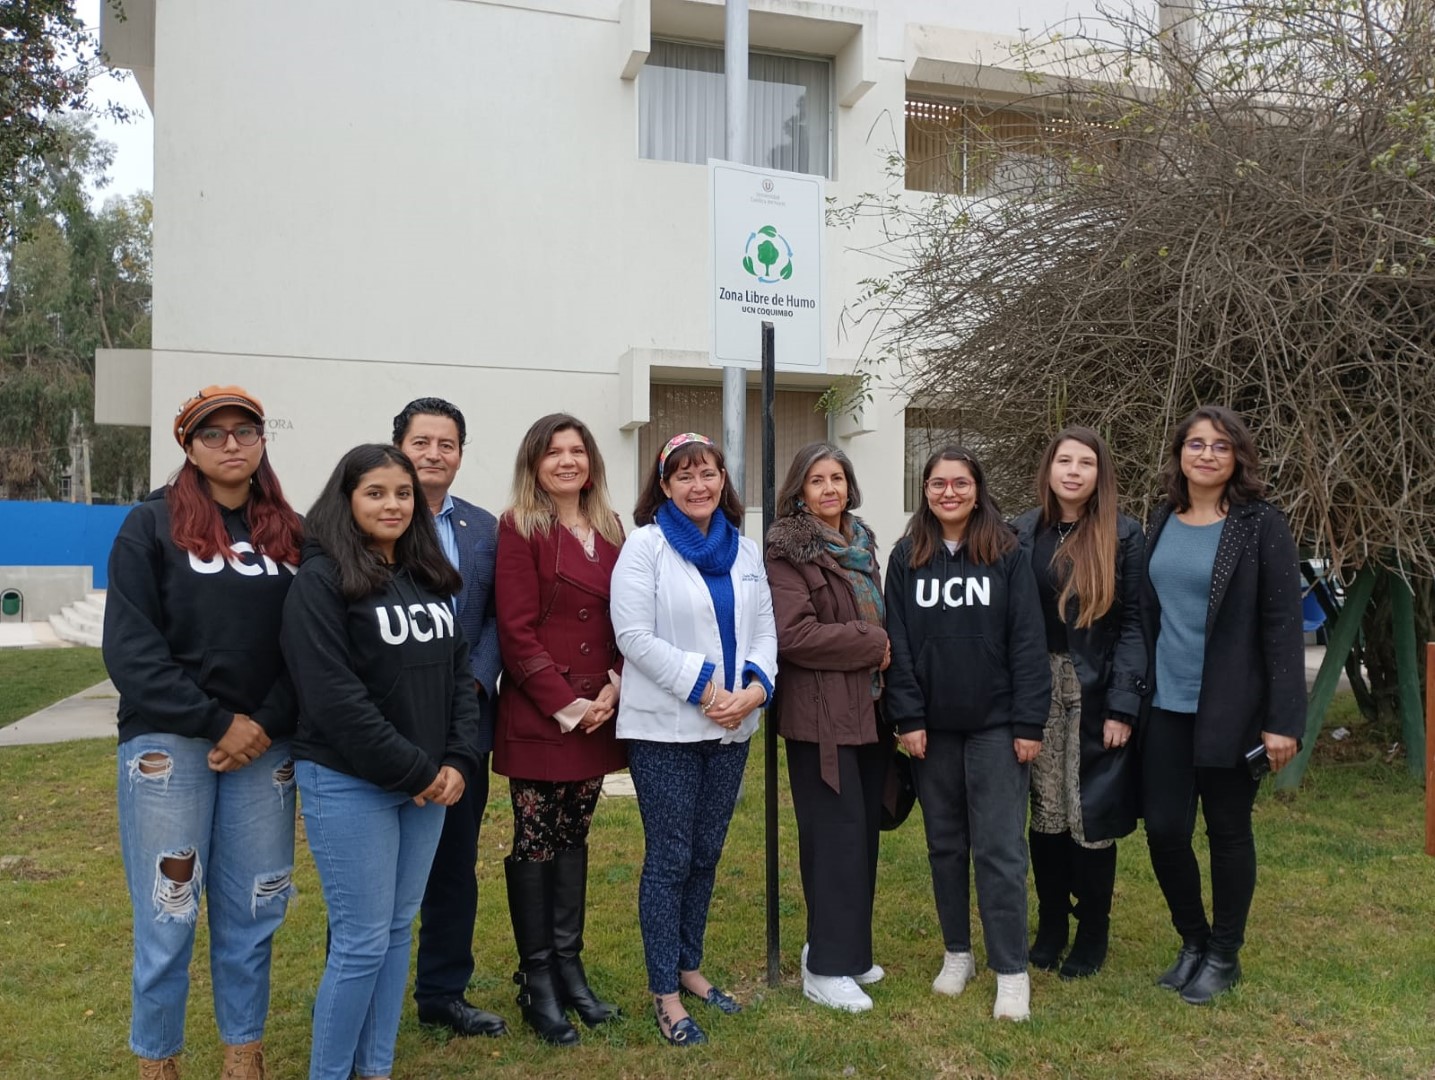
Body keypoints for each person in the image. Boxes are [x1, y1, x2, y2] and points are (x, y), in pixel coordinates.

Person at [104, 385, 304, 1080]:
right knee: (169, 915)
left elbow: (309, 645)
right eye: (211, 434)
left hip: (265, 747)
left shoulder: (290, 532)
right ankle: (157, 1061)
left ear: (261, 441)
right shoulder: (149, 526)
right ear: (187, 446)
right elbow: (131, 651)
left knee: (254, 911)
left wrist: (264, 723)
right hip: (171, 746)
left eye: (243, 431)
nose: (229, 444)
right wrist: (219, 722)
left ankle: (242, 1054)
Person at [282, 444, 481, 1080]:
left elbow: (458, 677)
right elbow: (334, 699)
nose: (391, 504)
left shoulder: (427, 575)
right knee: (362, 941)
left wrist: (455, 759)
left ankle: (377, 1068)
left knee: (397, 933)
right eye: (375, 493)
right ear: (346, 500)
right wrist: (417, 771)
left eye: (401, 493)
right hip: (350, 782)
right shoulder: (318, 580)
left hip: (426, 784)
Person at [611, 433, 777, 1046]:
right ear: (664, 486)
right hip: (668, 729)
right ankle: (665, 994)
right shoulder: (645, 548)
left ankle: (690, 965)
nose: (698, 485)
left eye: (707, 473)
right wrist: (708, 688)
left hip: (733, 727)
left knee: (706, 854)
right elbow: (633, 636)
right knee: (671, 858)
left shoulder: (744, 550)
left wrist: (755, 689)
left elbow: (765, 631)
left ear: (722, 480)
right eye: (683, 476)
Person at [1140, 405, 1304, 1005]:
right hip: (1165, 705)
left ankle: (1224, 955)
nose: (1206, 454)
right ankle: (1193, 940)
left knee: (1228, 832)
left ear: (1237, 458)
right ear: (1180, 453)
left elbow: (1285, 626)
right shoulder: (1162, 518)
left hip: (1232, 710)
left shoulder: (1261, 523)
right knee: (1162, 830)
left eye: (1220, 446)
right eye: (1195, 444)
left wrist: (1284, 721)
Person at [884, 446, 1049, 1022]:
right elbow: (897, 645)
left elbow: (1029, 642)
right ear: (924, 490)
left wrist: (1030, 722)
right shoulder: (907, 556)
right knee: (945, 845)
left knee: (1001, 849)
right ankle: (959, 953)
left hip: (998, 728)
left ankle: (1011, 970)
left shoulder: (1007, 552)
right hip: (933, 731)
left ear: (977, 489)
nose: (948, 492)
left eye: (959, 482)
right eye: (937, 483)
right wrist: (908, 717)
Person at [492, 413, 628, 1046]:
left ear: (592, 462)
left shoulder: (610, 528)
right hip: (542, 713)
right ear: (535, 465)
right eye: (555, 453)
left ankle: (571, 970)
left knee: (574, 836)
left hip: (600, 708)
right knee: (537, 841)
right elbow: (515, 630)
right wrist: (568, 704)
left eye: (578, 451)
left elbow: (629, 618)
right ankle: (538, 979)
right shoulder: (520, 526)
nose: (568, 462)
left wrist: (613, 687)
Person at [1011, 427, 1146, 980]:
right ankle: (1050, 927)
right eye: (1063, 461)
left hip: (1096, 684)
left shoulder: (1123, 533)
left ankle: (1092, 931)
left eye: (1085, 463)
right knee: (1046, 810)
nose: (1073, 471)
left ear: (1099, 473)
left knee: (1088, 810)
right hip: (1036, 682)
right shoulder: (1021, 531)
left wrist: (1123, 706)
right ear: (1048, 469)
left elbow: (1137, 623)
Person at [392, 398, 508, 1039]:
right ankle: (363, 983)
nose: (434, 454)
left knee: (453, 860)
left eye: (448, 444)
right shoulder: (370, 517)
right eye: (422, 442)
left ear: (461, 454)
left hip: (464, 723)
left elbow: (493, 616)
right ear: (398, 446)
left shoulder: (485, 530)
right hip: (387, 723)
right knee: (376, 864)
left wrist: (472, 679)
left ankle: (443, 991)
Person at [764, 442, 891, 1013]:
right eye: (817, 480)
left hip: (866, 710)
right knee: (834, 838)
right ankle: (824, 968)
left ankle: (849, 949)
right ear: (799, 490)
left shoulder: (862, 546)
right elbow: (795, 636)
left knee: (861, 835)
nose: (830, 488)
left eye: (837, 477)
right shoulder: (789, 553)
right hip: (819, 717)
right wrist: (874, 645)